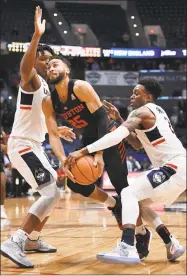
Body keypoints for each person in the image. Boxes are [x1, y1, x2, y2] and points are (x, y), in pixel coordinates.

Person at [43, 56, 153, 260]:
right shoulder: (49, 101)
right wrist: (62, 160)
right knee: (75, 182)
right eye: (48, 66)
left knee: (123, 187)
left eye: (55, 64)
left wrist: (100, 153)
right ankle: (114, 205)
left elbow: (102, 118)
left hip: (109, 133)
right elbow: (52, 134)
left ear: (67, 70)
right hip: (89, 137)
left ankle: (141, 234)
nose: (50, 68)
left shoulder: (81, 87)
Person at [65, 78, 186, 264]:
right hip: (176, 168)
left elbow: (116, 136)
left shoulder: (142, 111)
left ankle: (127, 246)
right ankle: (171, 242)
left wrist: (84, 150)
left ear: (147, 96)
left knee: (127, 193)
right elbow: (137, 144)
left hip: (174, 166)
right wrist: (121, 120)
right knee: (139, 204)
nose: (132, 95)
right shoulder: (156, 112)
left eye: (136, 93)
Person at [1, 6, 75, 268]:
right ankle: (16, 240)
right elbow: (24, 67)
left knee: (54, 190)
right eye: (42, 58)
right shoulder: (31, 78)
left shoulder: (46, 87)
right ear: (34, 61)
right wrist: (36, 36)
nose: (46, 62)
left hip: (34, 144)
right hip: (22, 145)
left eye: (49, 59)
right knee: (50, 191)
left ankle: (32, 238)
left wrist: (57, 130)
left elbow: (42, 118)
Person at [0, 131, 8, 219]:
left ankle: (1, 208)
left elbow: (7, 149)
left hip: (0, 163)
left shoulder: (2, 133)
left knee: (2, 185)